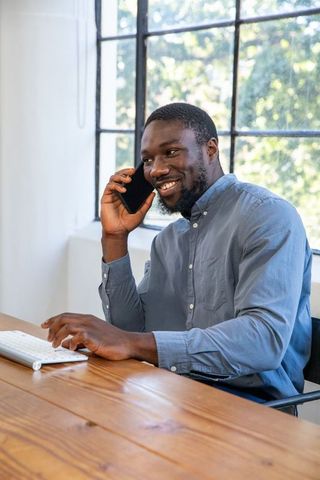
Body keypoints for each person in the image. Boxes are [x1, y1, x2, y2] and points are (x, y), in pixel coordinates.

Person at [42, 102, 312, 408]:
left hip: (254, 410)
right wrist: (114, 238)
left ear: (211, 150)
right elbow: (130, 331)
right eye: (147, 160)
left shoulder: (267, 217)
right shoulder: (169, 239)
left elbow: (263, 340)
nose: (156, 170)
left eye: (170, 152)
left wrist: (131, 342)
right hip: (173, 397)